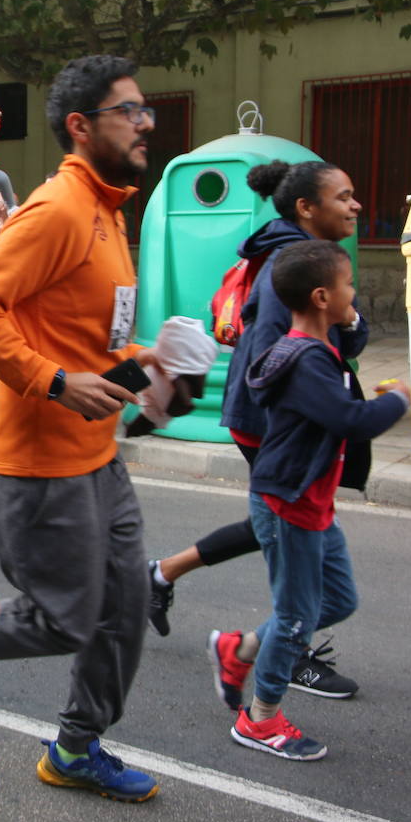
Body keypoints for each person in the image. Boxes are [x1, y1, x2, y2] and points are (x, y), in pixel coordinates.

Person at [0, 54, 163, 802]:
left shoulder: (107, 211)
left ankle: (75, 749)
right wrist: (53, 382)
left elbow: (92, 338)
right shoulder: (60, 209)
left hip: (98, 457)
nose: (145, 124)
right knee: (65, 619)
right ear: (81, 126)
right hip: (42, 463)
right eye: (129, 112)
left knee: (124, 608)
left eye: (146, 111)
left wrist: (152, 362)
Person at [147, 160, 367, 698]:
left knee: (278, 523)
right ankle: (284, 650)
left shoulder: (315, 261)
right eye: (344, 196)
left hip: (282, 426)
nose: (355, 205)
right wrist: (309, 422)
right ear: (307, 208)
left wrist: (353, 323)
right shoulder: (286, 267)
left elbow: (343, 340)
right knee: (293, 528)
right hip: (274, 426)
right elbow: (271, 360)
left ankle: (163, 575)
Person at [209, 240, 409, 761]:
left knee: (338, 601)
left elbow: (342, 400)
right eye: (349, 287)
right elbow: (351, 421)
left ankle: (242, 648)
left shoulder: (322, 351)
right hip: (288, 505)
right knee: (296, 617)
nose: (355, 295)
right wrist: (403, 397)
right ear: (322, 297)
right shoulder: (306, 362)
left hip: (311, 502)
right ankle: (260, 718)